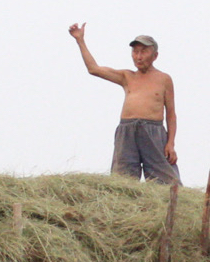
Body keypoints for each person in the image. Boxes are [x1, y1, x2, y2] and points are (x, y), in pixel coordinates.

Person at [67, 23, 178, 185]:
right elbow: (94, 69)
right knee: (122, 178)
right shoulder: (127, 77)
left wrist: (170, 143)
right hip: (127, 130)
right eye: (135, 52)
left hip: (153, 131)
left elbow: (171, 114)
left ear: (155, 55)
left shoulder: (164, 79)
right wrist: (80, 41)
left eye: (143, 52)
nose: (138, 56)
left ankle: (171, 205)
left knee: (165, 179)